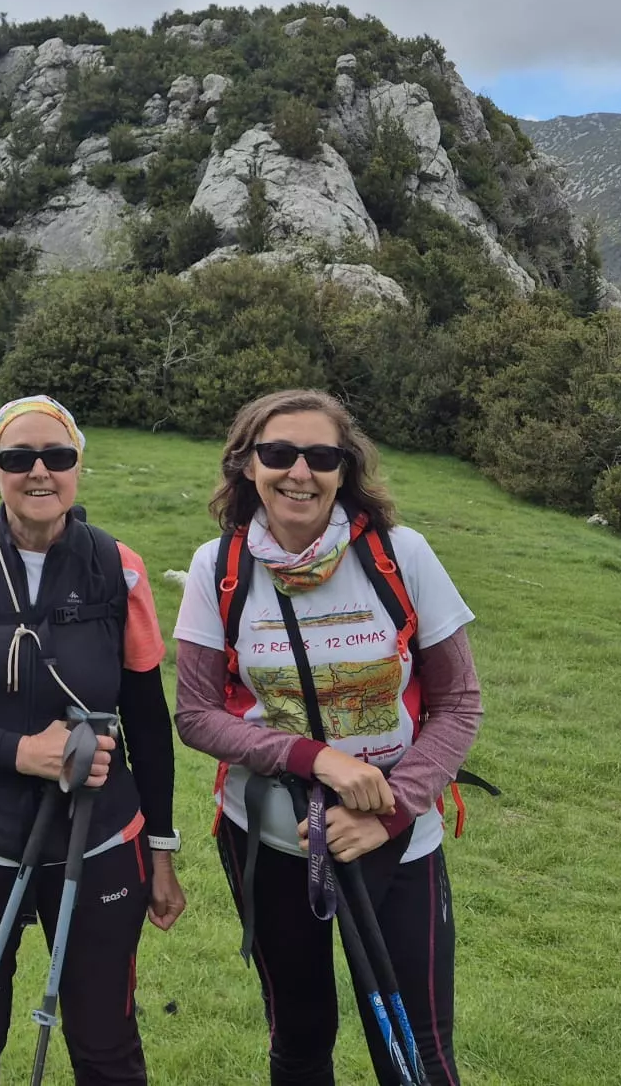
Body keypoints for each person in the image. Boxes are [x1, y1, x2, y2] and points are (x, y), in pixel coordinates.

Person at [171, 389, 482, 1086]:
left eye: (321, 456)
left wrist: (392, 810)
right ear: (248, 466)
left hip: (398, 838)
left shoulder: (401, 555)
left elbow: (459, 703)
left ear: (347, 468)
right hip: (271, 840)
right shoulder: (216, 567)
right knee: (301, 1040)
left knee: (416, 1053)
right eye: (278, 454)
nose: (299, 472)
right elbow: (195, 714)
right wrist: (317, 759)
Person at [0, 395, 187, 1086]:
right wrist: (23, 753)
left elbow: (147, 719)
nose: (38, 472)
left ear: (79, 466)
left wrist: (163, 850)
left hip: (100, 835)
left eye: (57, 456)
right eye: (16, 458)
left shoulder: (119, 566)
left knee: (106, 1043)